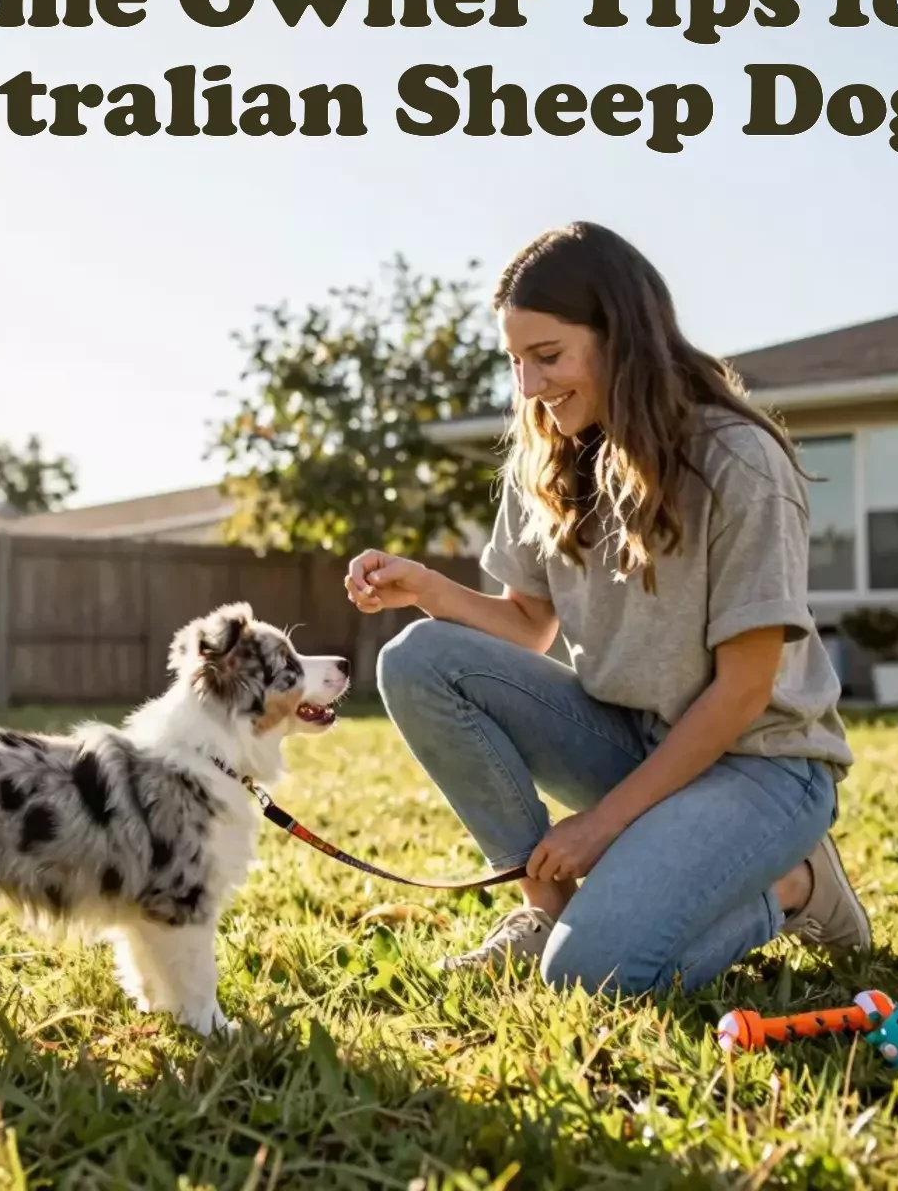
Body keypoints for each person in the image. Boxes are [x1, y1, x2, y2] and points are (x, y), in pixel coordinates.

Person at [343, 221, 869, 996]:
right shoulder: (549, 454)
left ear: (623, 338)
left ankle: (792, 887)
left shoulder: (739, 460)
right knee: (418, 658)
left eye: (547, 357)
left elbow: (744, 690)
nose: (528, 387)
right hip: (635, 739)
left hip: (762, 766)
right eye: (515, 362)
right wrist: (430, 590)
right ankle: (546, 909)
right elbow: (531, 624)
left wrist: (602, 824)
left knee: (594, 976)